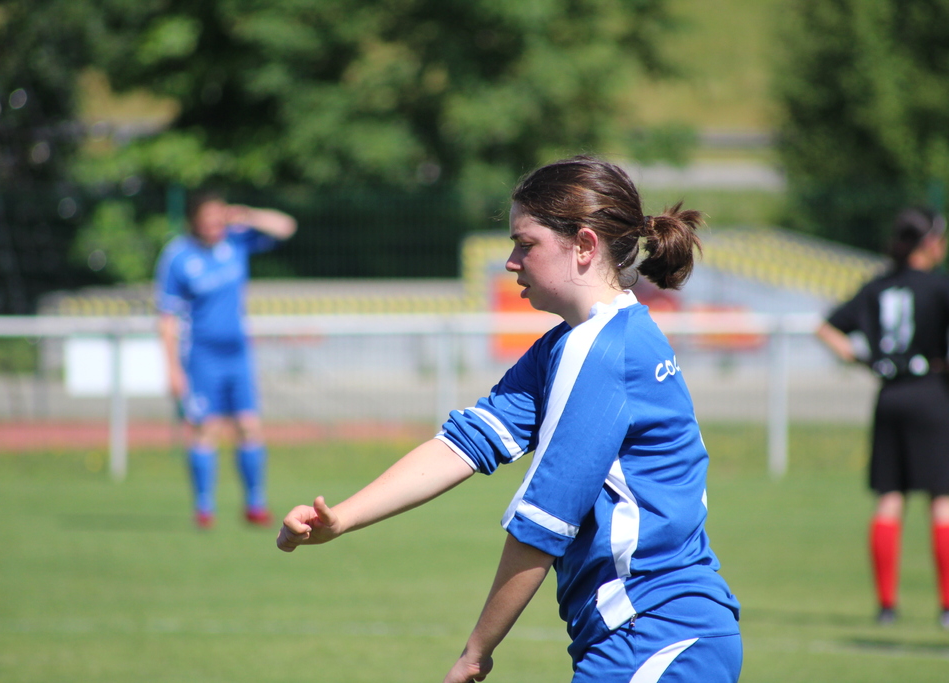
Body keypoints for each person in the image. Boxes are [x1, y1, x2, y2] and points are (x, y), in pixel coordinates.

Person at [277, 156, 742, 682]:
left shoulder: (600, 352)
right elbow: (466, 442)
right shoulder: (576, 342)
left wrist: (476, 651)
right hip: (660, 635)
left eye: (526, 243)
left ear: (584, 245)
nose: (511, 261)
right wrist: (342, 518)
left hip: (653, 635)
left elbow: (543, 525)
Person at [816, 207, 949, 629]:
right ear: (929, 243)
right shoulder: (943, 285)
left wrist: (865, 361)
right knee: (943, 501)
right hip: (933, 394)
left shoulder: (878, 286)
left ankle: (887, 607)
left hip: (890, 396)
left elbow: (826, 329)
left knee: (890, 499)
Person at [155, 190, 297, 529]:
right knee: (206, 428)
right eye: (207, 219)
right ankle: (204, 507)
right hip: (202, 355)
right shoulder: (178, 256)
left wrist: (247, 215)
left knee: (249, 425)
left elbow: (286, 227)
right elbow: (167, 317)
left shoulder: (236, 241)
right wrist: (172, 369)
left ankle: (255, 504)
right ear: (193, 221)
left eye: (219, 218)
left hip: (238, 353)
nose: (214, 225)